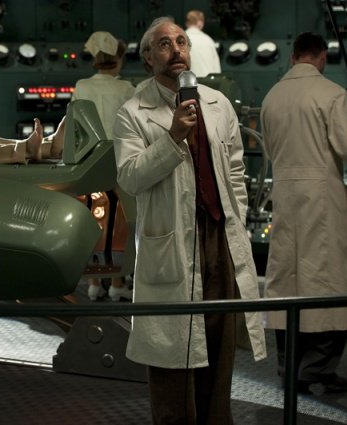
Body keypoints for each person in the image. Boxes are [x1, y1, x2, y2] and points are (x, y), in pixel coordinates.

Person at [113, 17, 266, 424]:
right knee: (172, 355)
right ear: (148, 58)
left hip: (218, 237)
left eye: (181, 41)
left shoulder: (218, 104)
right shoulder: (133, 113)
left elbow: (235, 172)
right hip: (172, 243)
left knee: (218, 345)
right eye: (164, 44)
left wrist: (236, 218)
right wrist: (172, 138)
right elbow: (130, 176)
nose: (176, 49)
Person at [261, 32, 347, 394]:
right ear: (322, 57)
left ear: (293, 57)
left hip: (284, 200)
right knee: (333, 284)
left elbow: (270, 150)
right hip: (323, 202)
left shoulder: (271, 97)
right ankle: (317, 367)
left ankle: (288, 366)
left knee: (287, 285)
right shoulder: (331, 94)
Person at [73, 30, 136, 302]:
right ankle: (118, 283)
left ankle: (94, 282)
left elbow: (75, 127)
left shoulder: (82, 87)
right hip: (119, 163)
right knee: (119, 223)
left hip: (89, 164)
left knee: (93, 219)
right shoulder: (127, 89)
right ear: (118, 59)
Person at [185, 10, 221, 78]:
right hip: (207, 83)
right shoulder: (208, 40)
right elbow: (216, 69)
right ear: (200, 23)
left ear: (187, 23)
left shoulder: (181, 39)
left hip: (187, 82)